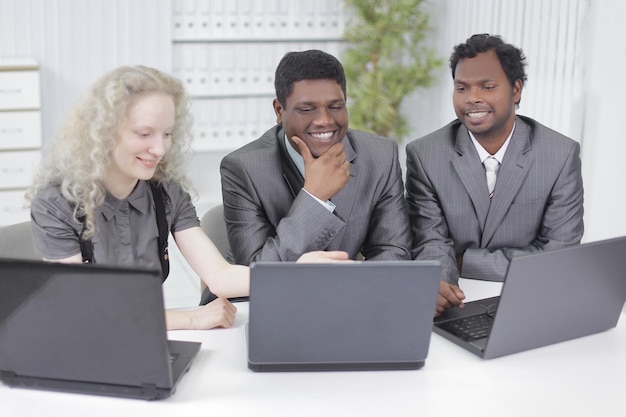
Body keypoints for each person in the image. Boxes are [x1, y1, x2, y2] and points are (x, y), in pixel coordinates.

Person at [28, 65, 348, 331]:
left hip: (141, 344)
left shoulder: (164, 191)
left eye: (166, 134)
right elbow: (80, 315)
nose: (160, 148)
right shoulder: (56, 202)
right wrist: (191, 319)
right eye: (144, 134)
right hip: (78, 349)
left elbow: (220, 277)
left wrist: (294, 271)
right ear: (102, 132)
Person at [405, 34, 584, 315]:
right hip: (458, 299)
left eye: (487, 87)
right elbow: (431, 242)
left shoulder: (559, 155)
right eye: (462, 88)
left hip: (530, 300)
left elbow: (558, 256)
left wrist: (467, 261)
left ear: (515, 90)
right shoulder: (425, 155)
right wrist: (440, 285)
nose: (472, 99)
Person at [220, 49, 412, 264]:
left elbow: (393, 251)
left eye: (336, 106)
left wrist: (355, 290)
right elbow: (256, 272)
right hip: (258, 296)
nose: (324, 120)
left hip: (349, 292)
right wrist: (314, 198)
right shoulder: (243, 169)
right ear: (279, 111)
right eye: (307, 109)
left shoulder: (380, 157)